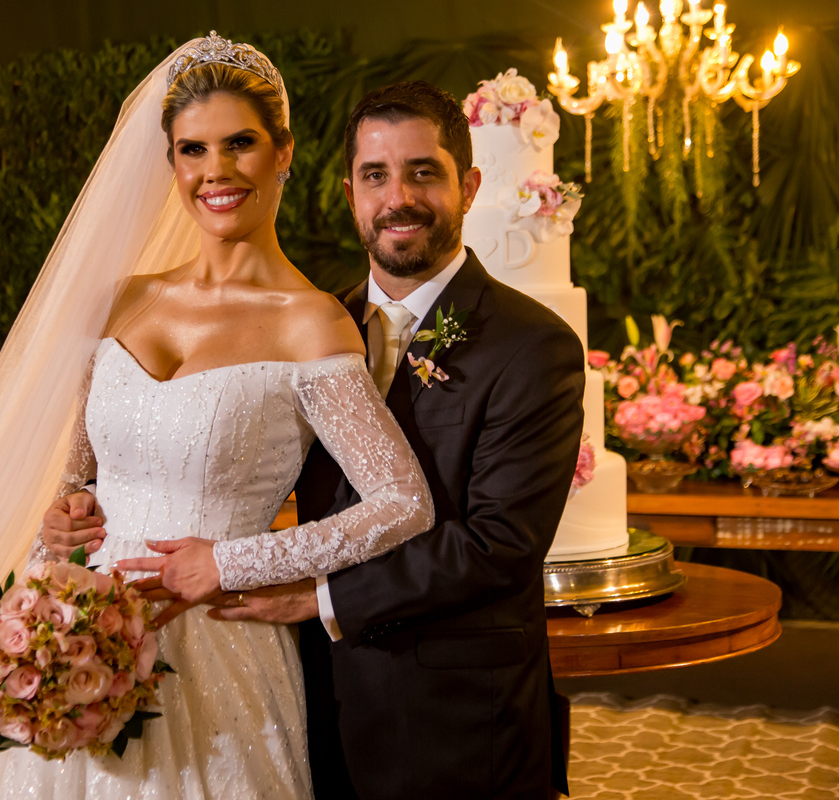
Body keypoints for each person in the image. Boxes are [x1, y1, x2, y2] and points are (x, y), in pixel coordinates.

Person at [46, 82, 584, 799]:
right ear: (349, 190)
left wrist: (320, 597)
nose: (399, 197)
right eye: (375, 175)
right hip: (310, 693)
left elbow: (499, 547)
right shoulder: (317, 315)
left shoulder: (532, 344)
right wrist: (79, 510)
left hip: (454, 712)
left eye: (424, 172)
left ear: (470, 184)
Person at [0, 36, 438, 798]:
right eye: (193, 150)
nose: (216, 171)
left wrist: (232, 563)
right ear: (171, 164)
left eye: (240, 144)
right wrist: (65, 514)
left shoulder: (311, 323)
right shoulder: (123, 298)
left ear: (283, 154)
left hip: (218, 648)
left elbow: (404, 503)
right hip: (78, 637)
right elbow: (84, 469)